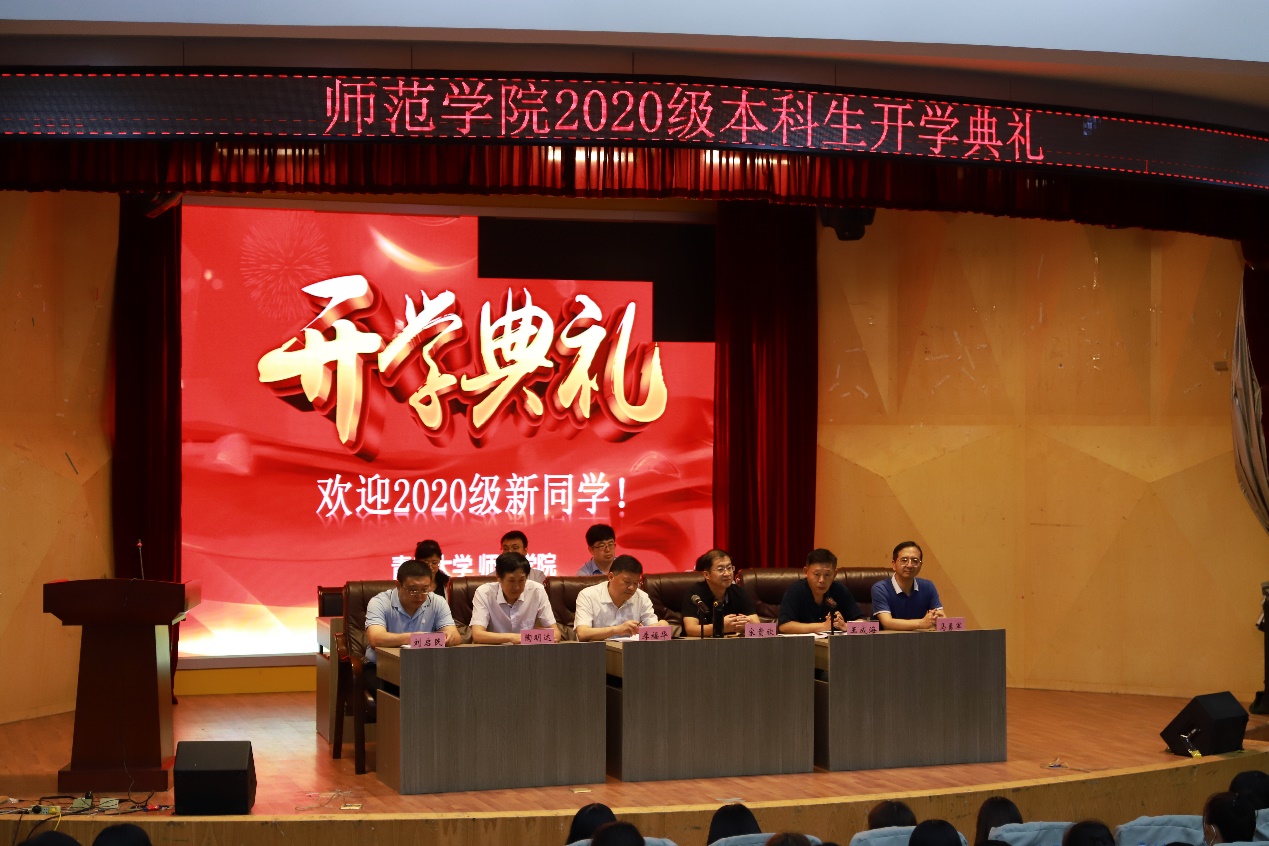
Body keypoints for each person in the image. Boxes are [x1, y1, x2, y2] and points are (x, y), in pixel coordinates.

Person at [364, 559, 461, 664]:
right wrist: (415, 638)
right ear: (398, 585)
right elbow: (376, 639)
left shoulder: (437, 602)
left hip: (424, 665)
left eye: (424, 589)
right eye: (413, 590)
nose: (419, 596)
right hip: (381, 666)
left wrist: (449, 637)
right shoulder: (379, 602)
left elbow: (456, 637)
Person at [470, 551, 556, 644]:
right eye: (511, 581)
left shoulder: (537, 590)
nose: (517, 587)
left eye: (521, 580)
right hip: (495, 650)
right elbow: (477, 635)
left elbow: (555, 634)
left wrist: (523, 638)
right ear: (498, 577)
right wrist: (511, 638)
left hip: (527, 650)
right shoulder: (484, 593)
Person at [575, 555, 663, 641]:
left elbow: (654, 631)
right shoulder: (588, 595)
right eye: (627, 582)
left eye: (636, 583)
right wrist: (617, 629)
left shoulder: (642, 597)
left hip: (632, 649)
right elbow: (582, 633)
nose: (632, 587)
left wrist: (662, 626)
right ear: (611, 577)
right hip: (599, 649)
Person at [777, 549, 863, 634]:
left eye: (827, 575)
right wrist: (823, 626)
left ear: (835, 574)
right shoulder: (795, 591)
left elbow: (864, 624)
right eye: (817, 574)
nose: (822, 580)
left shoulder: (840, 590)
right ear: (806, 572)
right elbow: (784, 626)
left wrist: (845, 626)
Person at [682, 549, 759, 637]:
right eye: (720, 569)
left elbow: (758, 626)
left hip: (733, 644)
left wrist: (749, 625)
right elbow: (691, 630)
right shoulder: (694, 594)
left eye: (729, 568)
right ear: (706, 575)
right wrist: (720, 626)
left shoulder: (739, 592)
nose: (727, 573)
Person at [872, 541, 945, 631]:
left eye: (915, 561)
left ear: (920, 565)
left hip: (919, 638)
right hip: (888, 638)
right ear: (894, 564)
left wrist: (936, 618)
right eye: (904, 560)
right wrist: (921, 623)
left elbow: (941, 618)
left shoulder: (928, 586)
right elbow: (887, 623)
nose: (910, 565)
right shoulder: (881, 588)